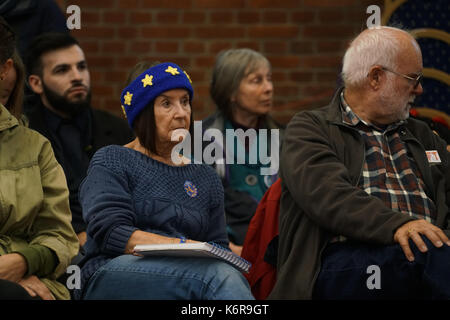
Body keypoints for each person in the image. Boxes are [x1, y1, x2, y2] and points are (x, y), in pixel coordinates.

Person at [269, 26, 450, 300]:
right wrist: (398, 225)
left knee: (430, 257)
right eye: (413, 78)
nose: (420, 89)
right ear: (376, 77)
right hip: (345, 260)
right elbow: (329, 198)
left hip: (428, 254)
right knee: (426, 258)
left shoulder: (423, 134)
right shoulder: (310, 129)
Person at [75, 62, 254, 300]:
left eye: (185, 101)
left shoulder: (205, 176)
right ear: (142, 112)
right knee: (218, 278)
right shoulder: (113, 159)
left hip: (191, 275)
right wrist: (185, 246)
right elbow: (112, 231)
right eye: (166, 103)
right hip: (113, 270)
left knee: (228, 274)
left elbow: (218, 245)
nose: (181, 113)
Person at [24, 32, 134, 251]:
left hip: (122, 239)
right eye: (62, 70)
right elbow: (29, 211)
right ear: (36, 83)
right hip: (56, 247)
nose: (77, 76)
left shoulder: (118, 128)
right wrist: (76, 233)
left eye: (81, 67)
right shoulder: (25, 136)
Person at [0, 16, 78, 300]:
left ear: (5, 69)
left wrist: (23, 262)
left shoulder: (35, 148)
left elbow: (60, 236)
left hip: (32, 281)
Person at [203, 48, 284, 255]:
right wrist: (227, 248)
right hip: (227, 247)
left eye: (269, 79)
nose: (268, 88)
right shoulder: (202, 140)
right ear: (230, 91)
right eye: (256, 81)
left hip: (280, 244)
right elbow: (203, 207)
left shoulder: (286, 139)